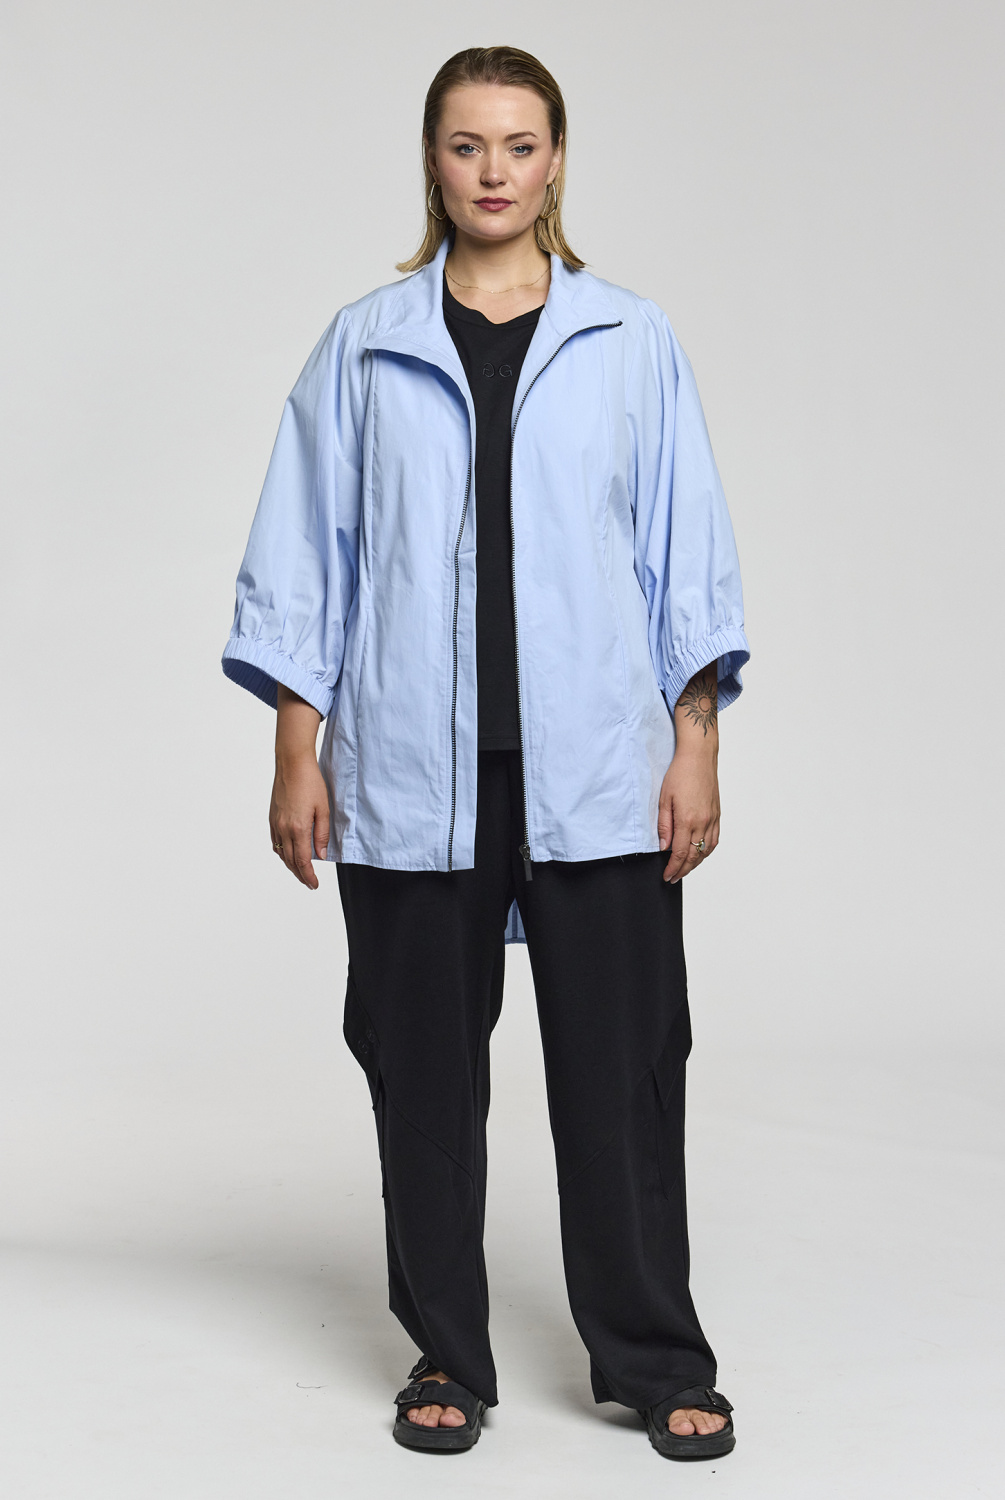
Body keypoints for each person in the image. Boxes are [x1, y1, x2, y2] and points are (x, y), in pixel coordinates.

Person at [222, 45, 749, 1461]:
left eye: (520, 144)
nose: (494, 171)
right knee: (422, 1075)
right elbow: (307, 552)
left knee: (624, 1070)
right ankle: (445, 1354)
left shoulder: (629, 340)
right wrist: (296, 746)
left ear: (556, 160)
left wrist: (695, 738)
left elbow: (683, 550)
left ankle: (654, 1356)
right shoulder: (364, 344)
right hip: (411, 770)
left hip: (599, 769)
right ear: (433, 161)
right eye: (467, 146)